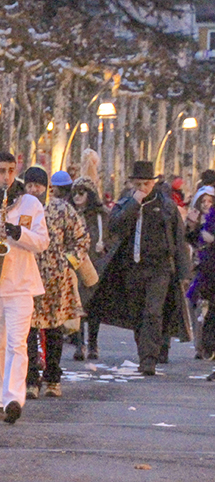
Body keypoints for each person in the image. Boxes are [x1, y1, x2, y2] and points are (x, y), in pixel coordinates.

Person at [89, 161, 190, 376]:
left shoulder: (166, 206)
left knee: (153, 312)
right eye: (138, 184)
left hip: (159, 268)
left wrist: (183, 272)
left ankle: (149, 359)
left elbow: (178, 239)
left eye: (146, 183)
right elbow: (114, 226)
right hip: (131, 267)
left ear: (153, 183)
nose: (143, 188)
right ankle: (144, 349)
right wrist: (134, 204)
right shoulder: (126, 202)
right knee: (137, 312)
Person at [0, 152, 48, 424]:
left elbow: (42, 241)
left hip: (21, 285)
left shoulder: (30, 203)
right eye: (0, 171)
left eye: (10, 170)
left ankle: (14, 399)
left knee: (18, 343)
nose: (6, 176)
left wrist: (18, 233)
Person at [23, 169, 89, 400]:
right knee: (27, 332)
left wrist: (67, 261)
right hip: (26, 279)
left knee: (53, 331)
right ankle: (31, 380)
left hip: (55, 282)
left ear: (47, 188)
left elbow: (81, 239)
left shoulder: (61, 210)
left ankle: (52, 377)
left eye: (38, 186)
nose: (33, 190)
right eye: (29, 185)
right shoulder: (19, 209)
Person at [68, 178, 107, 360]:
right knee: (76, 304)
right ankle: (79, 344)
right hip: (73, 265)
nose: (77, 197)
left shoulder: (101, 216)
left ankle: (93, 343)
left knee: (94, 306)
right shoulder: (68, 213)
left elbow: (110, 236)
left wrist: (104, 248)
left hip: (96, 265)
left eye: (81, 193)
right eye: (74, 193)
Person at [186, 188, 215, 360]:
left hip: (210, 271)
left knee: (208, 310)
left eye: (210, 202)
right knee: (194, 305)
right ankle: (201, 345)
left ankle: (206, 346)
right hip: (200, 270)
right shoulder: (198, 221)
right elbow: (188, 239)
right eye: (203, 202)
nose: (206, 205)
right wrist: (190, 225)